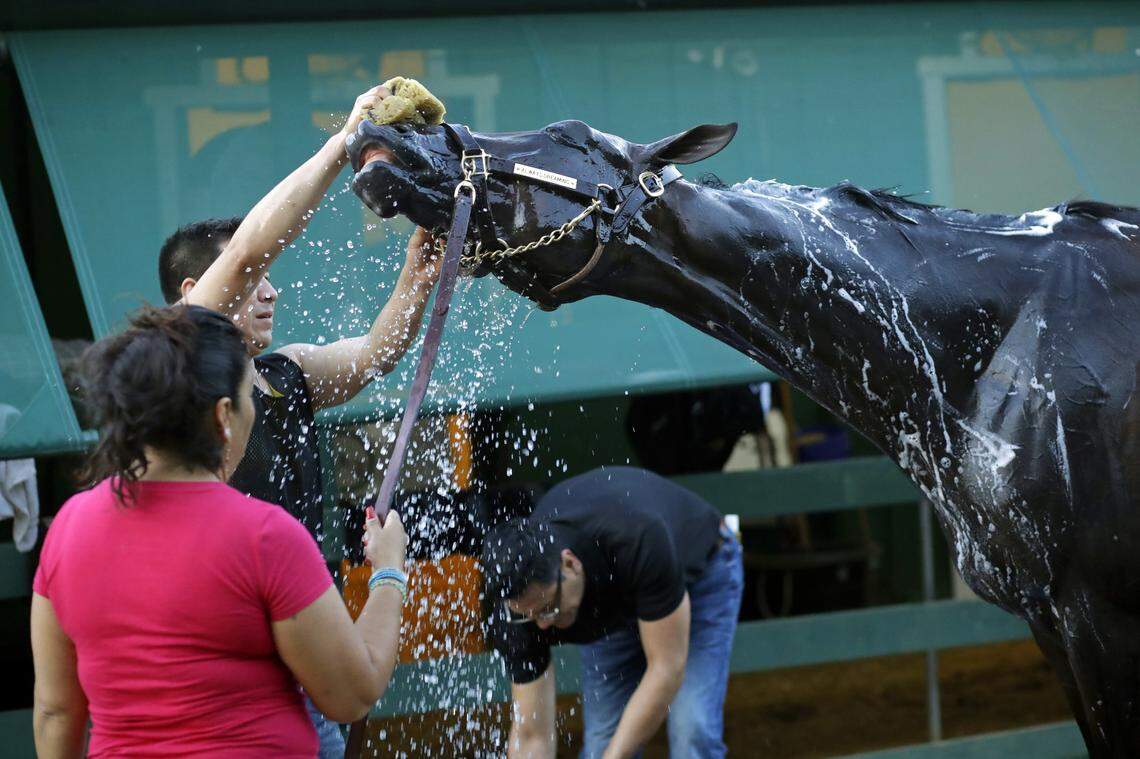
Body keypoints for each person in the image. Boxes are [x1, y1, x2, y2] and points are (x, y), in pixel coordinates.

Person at [158, 85, 437, 753]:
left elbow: (375, 354)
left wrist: (417, 274)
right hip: (228, 658)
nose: (270, 290)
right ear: (195, 296)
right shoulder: (177, 368)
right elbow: (257, 243)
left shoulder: (285, 372)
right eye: (251, 280)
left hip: (304, 651)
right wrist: (345, 143)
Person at [30, 305, 410, 758]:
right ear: (223, 414)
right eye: (248, 394)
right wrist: (388, 574)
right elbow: (352, 694)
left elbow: (56, 712)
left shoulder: (70, 526)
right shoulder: (266, 537)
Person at [481, 466, 743, 759]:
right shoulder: (517, 609)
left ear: (570, 565)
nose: (543, 625)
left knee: (692, 729)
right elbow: (531, 736)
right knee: (600, 746)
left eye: (548, 609)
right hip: (610, 604)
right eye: (530, 616)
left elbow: (666, 668)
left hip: (699, 576)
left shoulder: (638, 537)